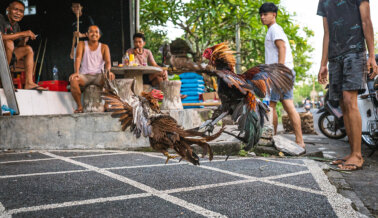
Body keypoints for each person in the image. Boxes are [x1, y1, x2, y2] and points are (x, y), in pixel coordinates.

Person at [317, 0, 377, 170]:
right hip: (335, 57)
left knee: (349, 100)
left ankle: (358, 155)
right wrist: (323, 64)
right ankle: (352, 153)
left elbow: (366, 21)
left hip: (355, 52)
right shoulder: (323, 2)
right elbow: (326, 33)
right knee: (343, 104)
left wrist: (371, 55)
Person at [259, 2, 305, 148]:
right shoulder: (273, 30)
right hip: (286, 72)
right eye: (261, 15)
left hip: (280, 73)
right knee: (287, 104)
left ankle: (272, 138)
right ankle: (299, 141)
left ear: (274, 14)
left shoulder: (274, 29)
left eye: (265, 14)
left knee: (271, 105)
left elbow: (282, 47)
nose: (262, 17)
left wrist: (279, 70)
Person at [0, 0, 47, 91]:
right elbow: (1, 37)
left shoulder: (16, 26)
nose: (18, 13)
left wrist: (23, 40)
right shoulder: (1, 18)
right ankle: (5, 80)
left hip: (6, 58)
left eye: (21, 11)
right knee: (9, 43)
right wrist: (22, 33)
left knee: (28, 49)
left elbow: (17, 47)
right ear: (8, 9)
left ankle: (29, 83)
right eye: (15, 10)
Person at [69, 25, 115, 113]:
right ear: (87, 34)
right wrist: (76, 72)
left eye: (96, 32)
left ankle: (106, 105)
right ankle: (79, 107)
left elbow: (108, 62)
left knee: (111, 77)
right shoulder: (81, 44)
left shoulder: (104, 47)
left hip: (99, 76)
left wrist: (108, 71)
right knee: (73, 80)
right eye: (91, 31)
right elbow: (78, 58)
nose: (94, 34)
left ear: (100, 35)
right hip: (84, 76)